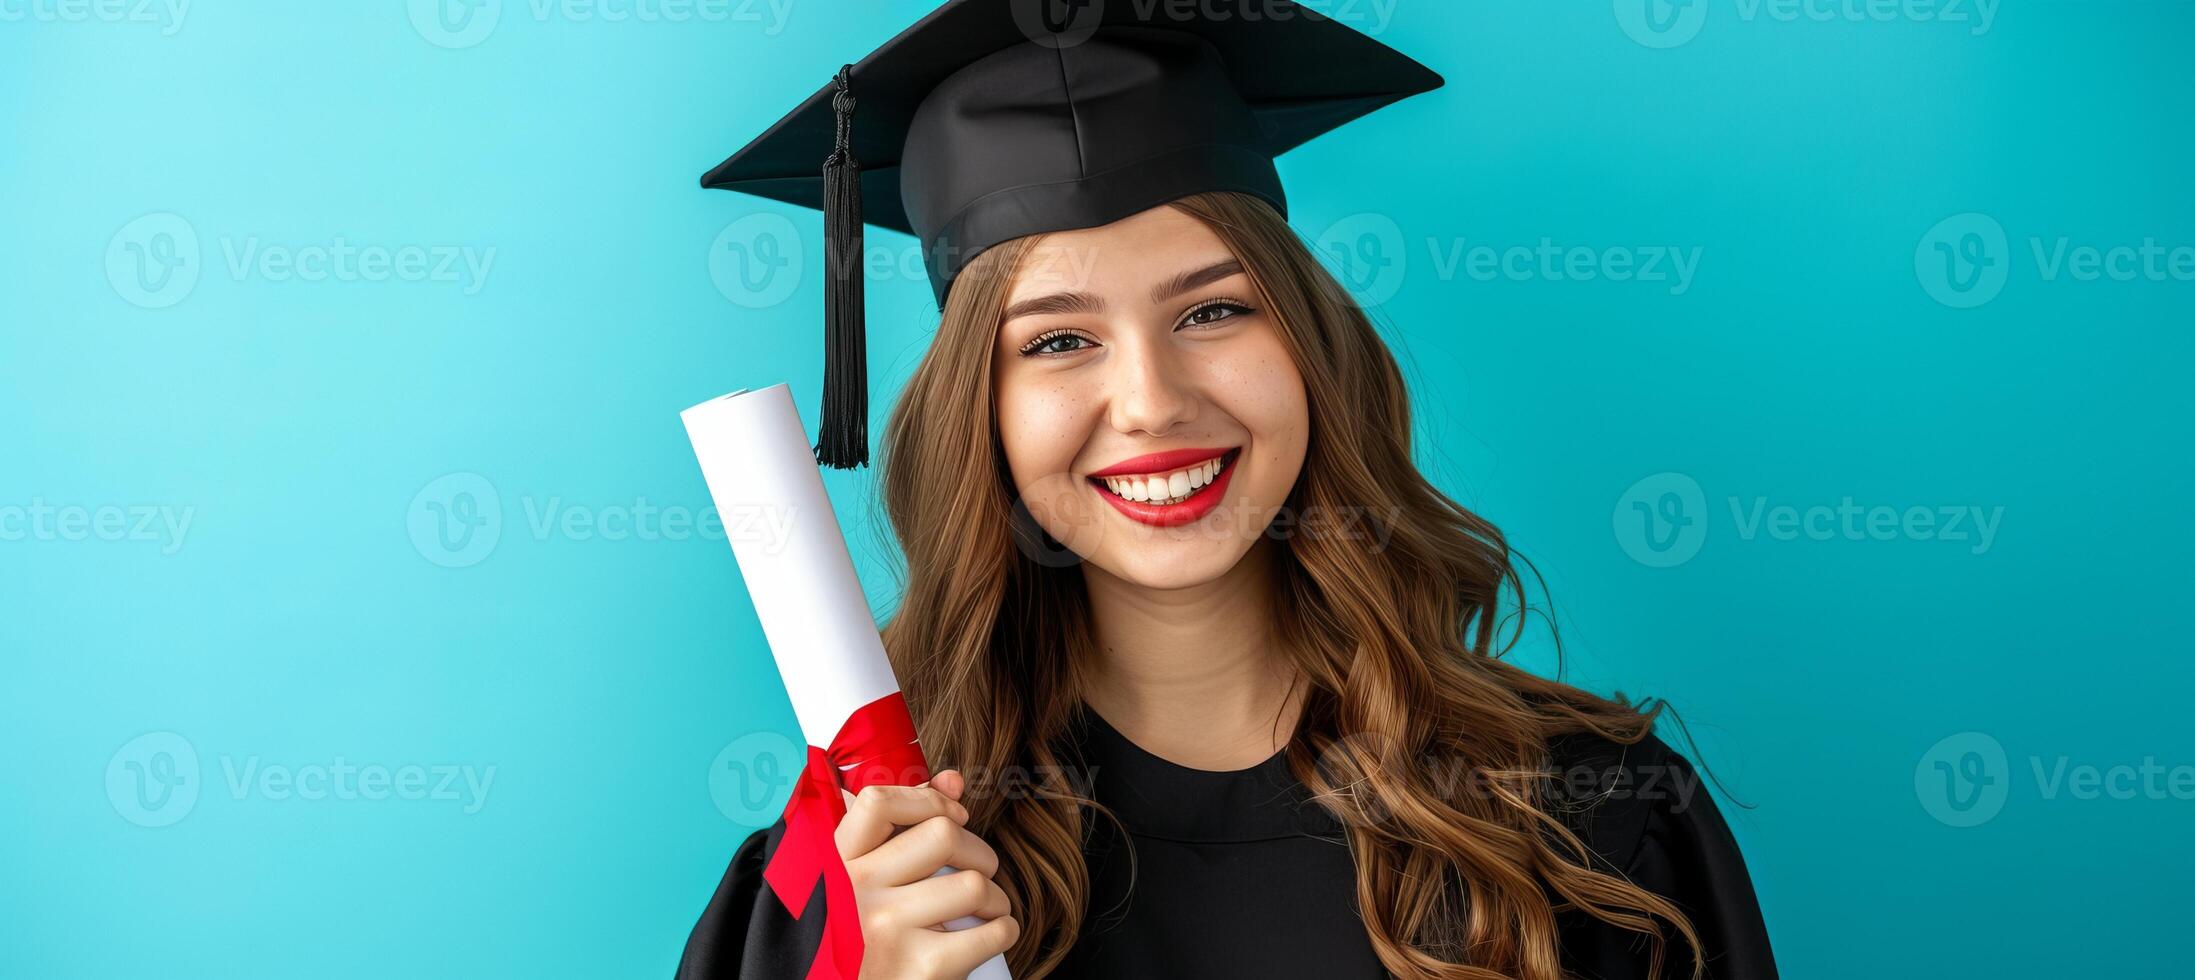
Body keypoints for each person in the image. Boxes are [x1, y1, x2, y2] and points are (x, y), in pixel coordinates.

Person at [679, 2, 1777, 978]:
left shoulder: (1589, 820)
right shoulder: (864, 882)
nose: (1150, 401)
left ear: (1309, 347)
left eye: (1212, 310)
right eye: (1058, 339)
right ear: (983, 413)